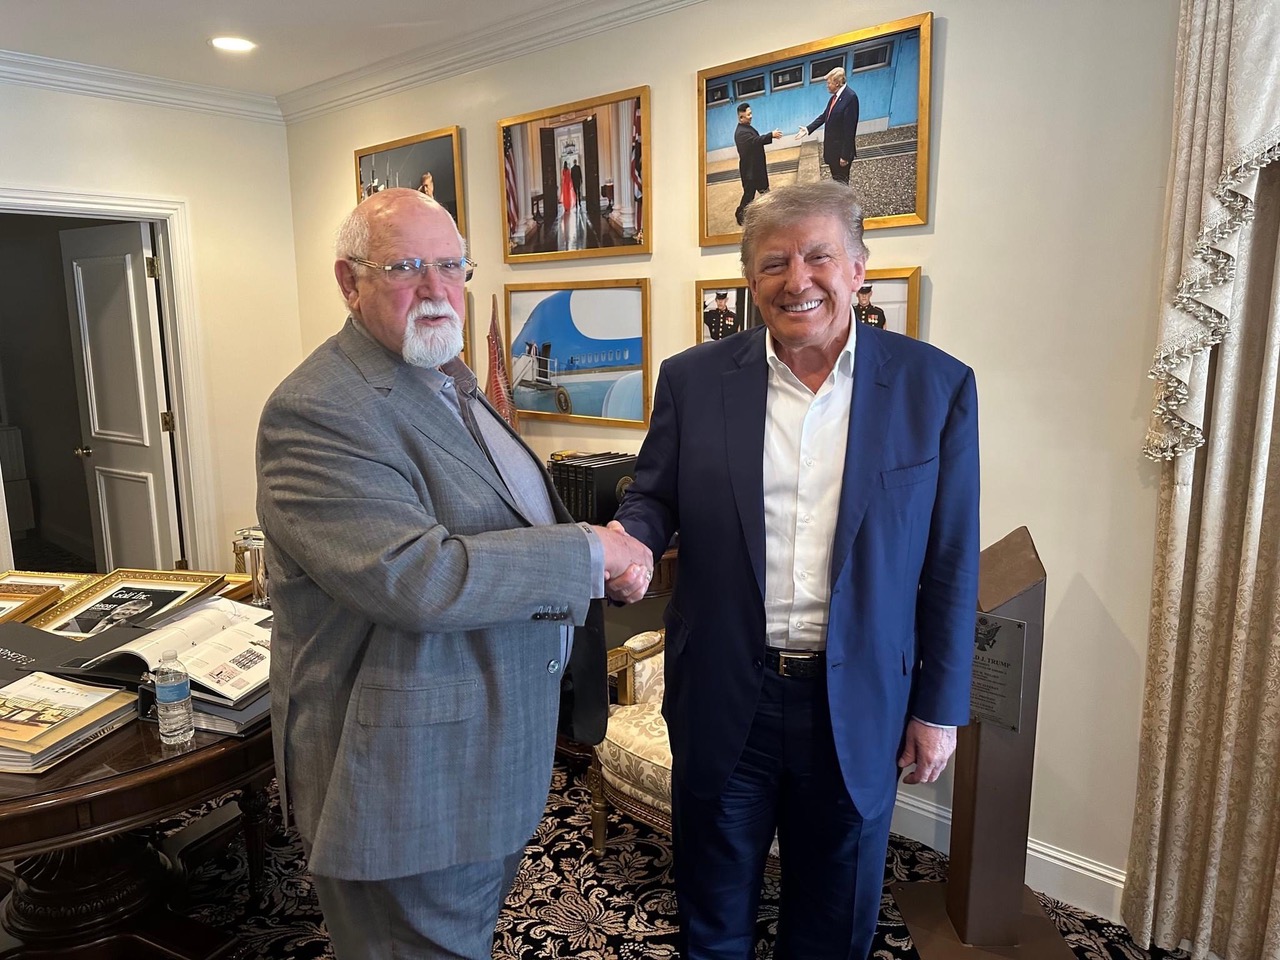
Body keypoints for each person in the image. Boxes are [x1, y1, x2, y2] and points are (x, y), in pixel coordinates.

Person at [256, 188, 653, 960]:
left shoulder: (448, 376)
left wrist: (592, 561)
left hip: (483, 761)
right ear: (349, 280)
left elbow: (502, 527)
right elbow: (416, 575)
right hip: (405, 786)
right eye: (406, 267)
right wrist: (588, 553)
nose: (437, 289)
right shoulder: (318, 409)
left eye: (451, 266)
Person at [609, 180, 979, 960]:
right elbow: (653, 496)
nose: (796, 279)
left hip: (858, 706)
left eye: (818, 256)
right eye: (773, 262)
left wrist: (939, 708)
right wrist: (632, 538)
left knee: (834, 924)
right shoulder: (693, 379)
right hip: (724, 699)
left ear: (858, 270)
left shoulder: (934, 386)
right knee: (712, 916)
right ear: (750, 281)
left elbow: (949, 560)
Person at [797, 67, 860, 184]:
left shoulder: (850, 98)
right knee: (836, 182)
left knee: (842, 185)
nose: (827, 86)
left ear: (837, 83)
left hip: (841, 153)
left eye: (829, 83)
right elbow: (824, 116)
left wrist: (845, 156)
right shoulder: (834, 98)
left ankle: (844, 202)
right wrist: (807, 129)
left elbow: (850, 130)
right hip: (833, 151)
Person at [734, 102, 782, 226]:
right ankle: (741, 215)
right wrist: (771, 135)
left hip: (757, 168)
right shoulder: (741, 133)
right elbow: (756, 141)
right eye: (748, 115)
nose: (751, 116)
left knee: (765, 191)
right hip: (750, 171)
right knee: (749, 196)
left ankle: (771, 211)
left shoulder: (747, 127)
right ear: (741, 117)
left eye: (751, 113)